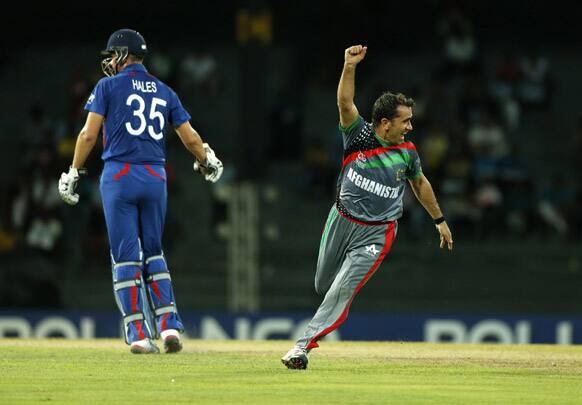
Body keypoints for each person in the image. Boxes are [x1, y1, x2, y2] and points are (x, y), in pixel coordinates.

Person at [281, 45, 453, 370]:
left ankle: (302, 347)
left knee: (341, 291)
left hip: (376, 234)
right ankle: (307, 337)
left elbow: (420, 184)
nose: (410, 127)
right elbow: (345, 102)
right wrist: (349, 66)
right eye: (405, 121)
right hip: (341, 220)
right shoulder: (359, 137)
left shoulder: (408, 152)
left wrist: (439, 220)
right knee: (323, 285)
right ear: (385, 123)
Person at [58, 29, 223, 354]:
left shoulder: (107, 86)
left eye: (111, 55)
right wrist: (207, 160)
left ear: (121, 54)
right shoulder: (164, 90)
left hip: (119, 175)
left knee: (125, 257)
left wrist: (74, 170)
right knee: (154, 251)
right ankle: (169, 327)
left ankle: (137, 334)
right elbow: (189, 138)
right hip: (154, 175)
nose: (108, 61)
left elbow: (89, 135)